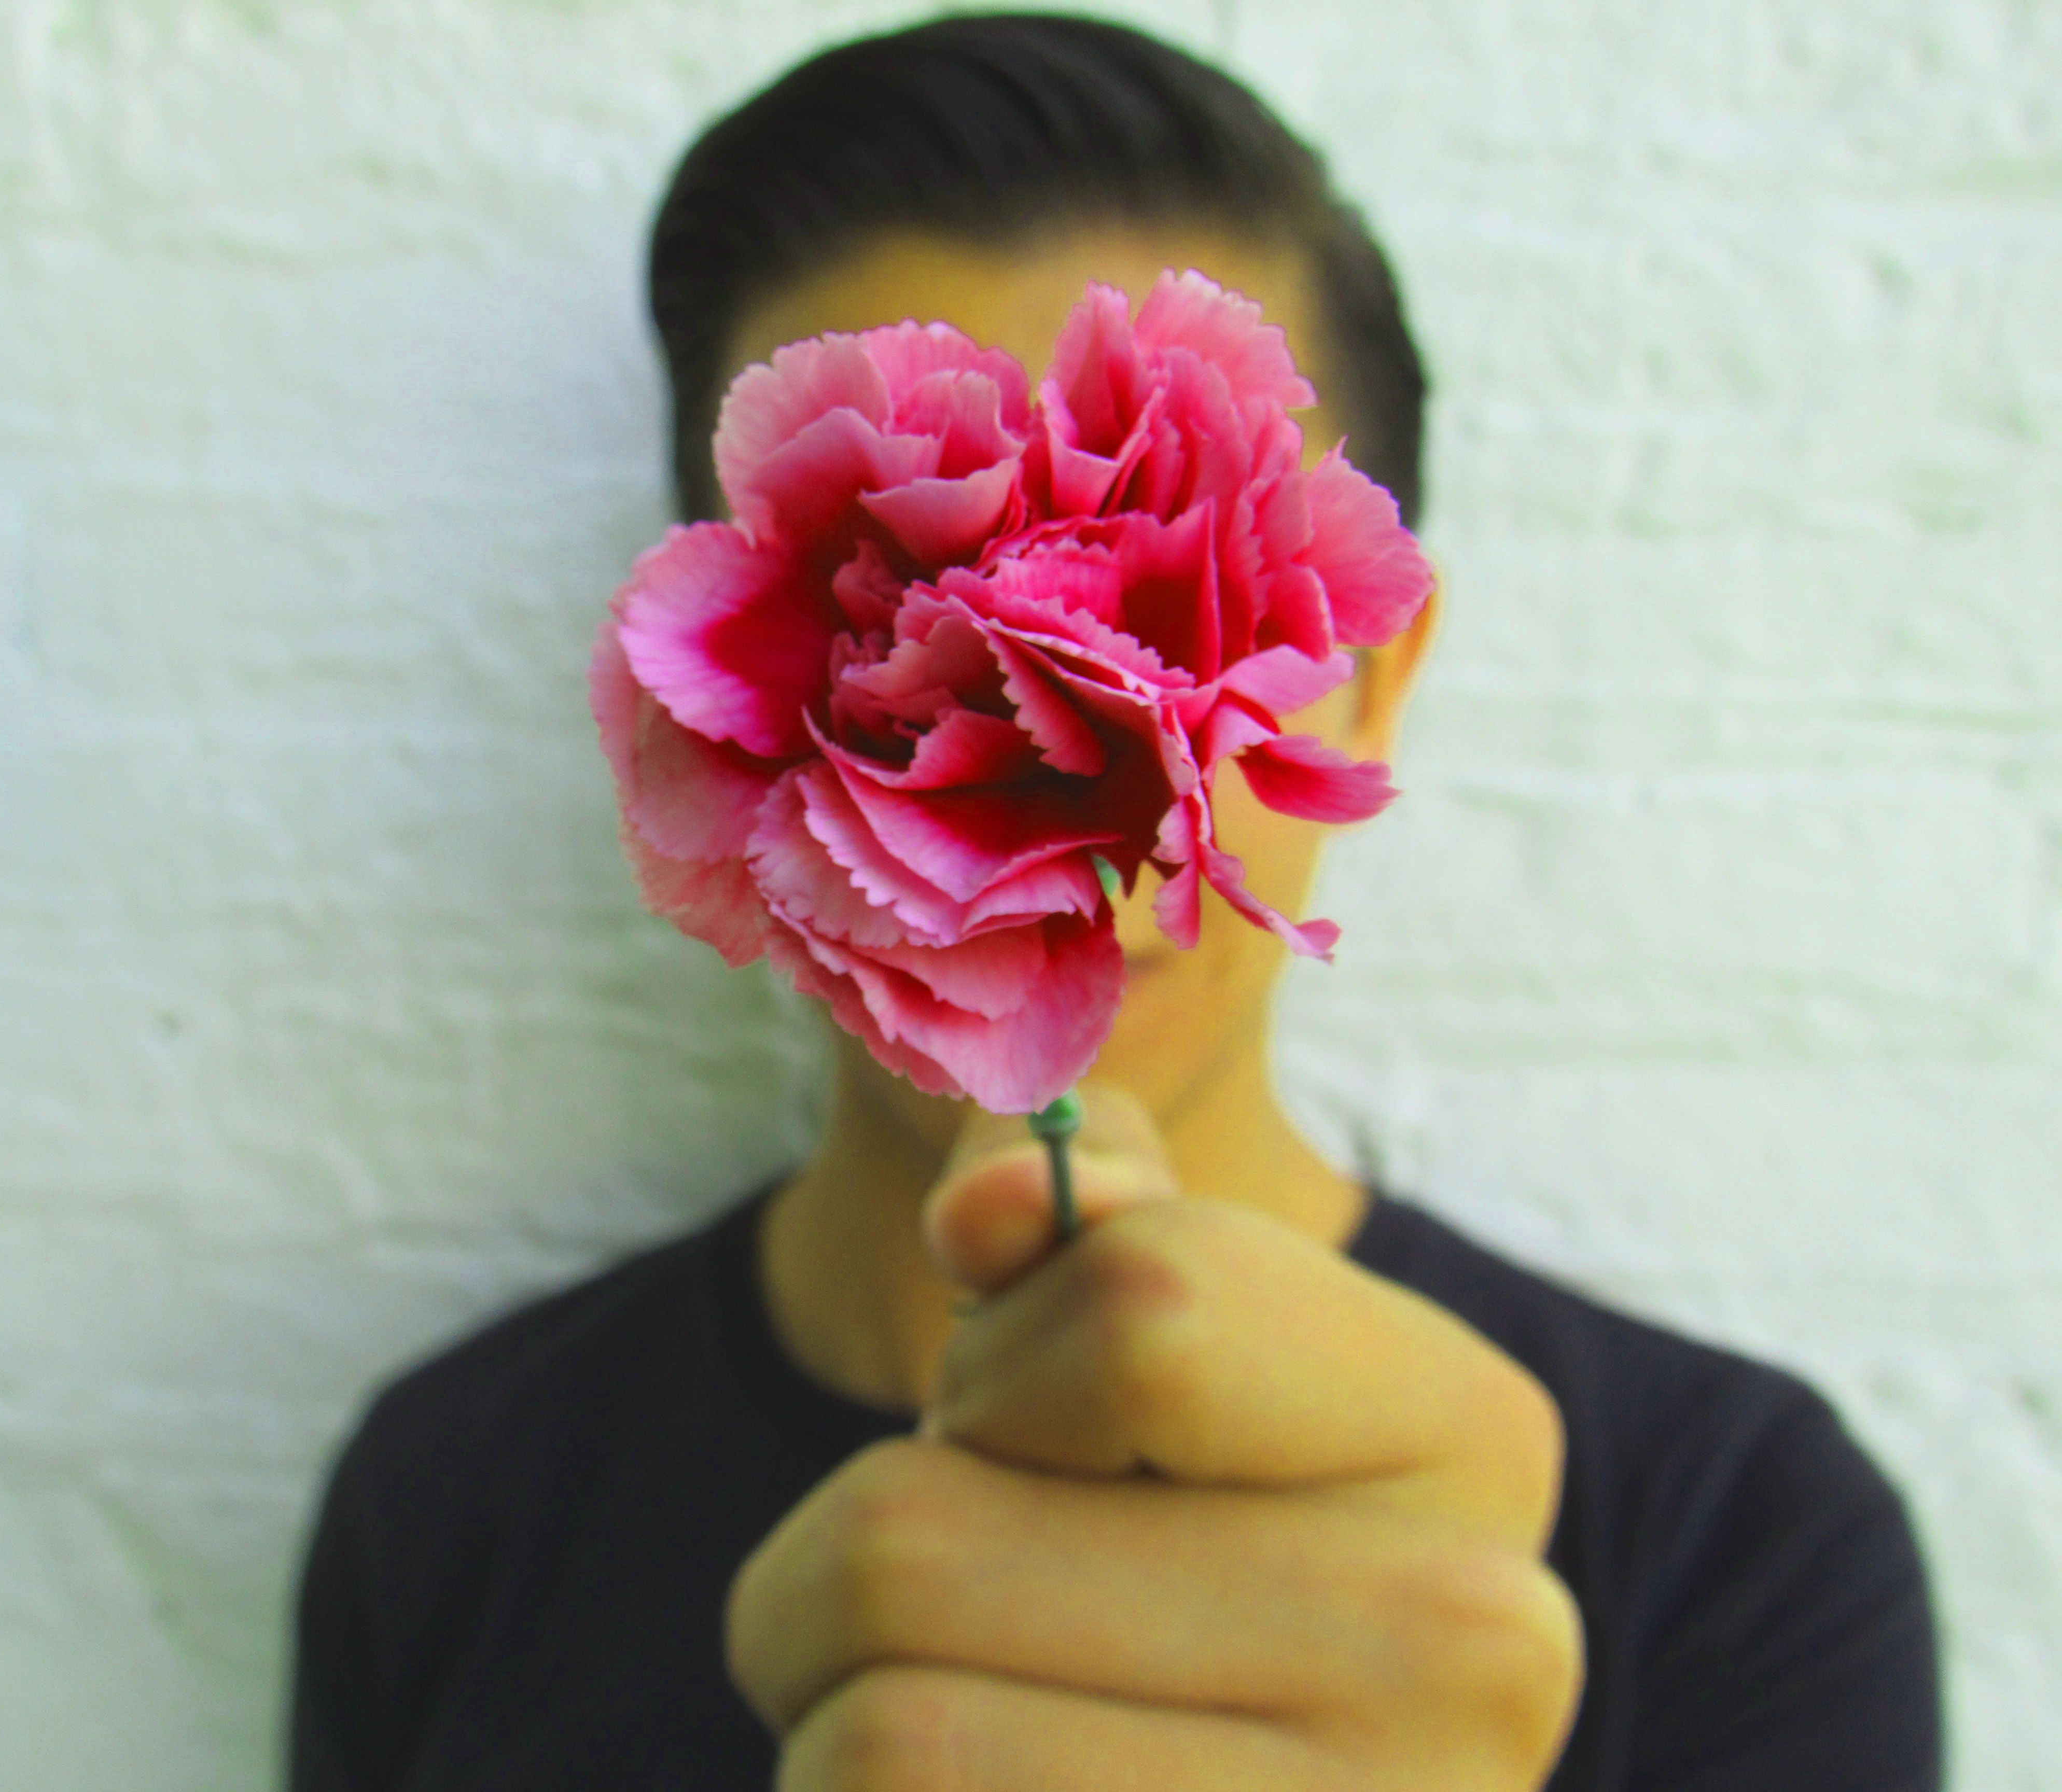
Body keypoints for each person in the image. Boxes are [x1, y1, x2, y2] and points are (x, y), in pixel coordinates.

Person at [285, 16, 1942, 1789]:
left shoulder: (1735, 1542)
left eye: (1181, 634)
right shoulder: (449, 1501)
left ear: (1372, 683)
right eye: (924, 632)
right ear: (713, 711)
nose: (1084, 829)